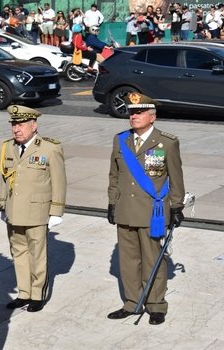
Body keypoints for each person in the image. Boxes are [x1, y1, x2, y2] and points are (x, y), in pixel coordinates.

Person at [107, 92, 185, 326]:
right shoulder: (120, 140)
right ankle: (132, 303)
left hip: (153, 212)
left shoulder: (167, 143)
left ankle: (156, 305)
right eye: (131, 112)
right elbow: (114, 175)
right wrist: (112, 202)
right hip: (125, 209)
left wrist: (177, 206)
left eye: (139, 112)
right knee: (128, 260)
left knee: (153, 259)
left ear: (153, 116)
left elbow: (176, 177)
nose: (134, 116)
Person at [0, 105, 67, 312]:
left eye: (20, 125)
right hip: (14, 211)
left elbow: (59, 182)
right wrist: (3, 205)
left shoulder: (49, 148)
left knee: (38, 255)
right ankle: (24, 293)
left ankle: (37, 294)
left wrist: (56, 211)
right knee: (18, 252)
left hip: (37, 212)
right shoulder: (8, 147)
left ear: (33, 125)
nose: (16, 129)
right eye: (14, 125)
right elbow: (5, 179)